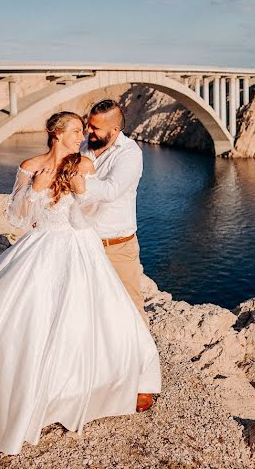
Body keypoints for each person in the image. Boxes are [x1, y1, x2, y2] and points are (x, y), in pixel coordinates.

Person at [0, 111, 162, 455]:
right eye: (75, 131)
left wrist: (82, 194)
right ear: (56, 133)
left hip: (79, 247)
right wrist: (33, 192)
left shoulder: (83, 165)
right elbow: (18, 218)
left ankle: (83, 392)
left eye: (83, 131)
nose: (80, 137)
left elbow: (90, 217)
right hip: (39, 247)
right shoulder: (29, 165)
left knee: (92, 319)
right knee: (21, 318)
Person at [77, 99, 155, 414]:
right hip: (83, 244)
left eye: (95, 127)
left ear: (114, 129)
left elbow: (110, 191)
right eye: (87, 125)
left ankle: (142, 383)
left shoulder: (130, 154)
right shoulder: (84, 146)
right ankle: (98, 377)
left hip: (117, 247)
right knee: (89, 313)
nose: (88, 131)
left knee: (132, 312)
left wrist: (73, 182)